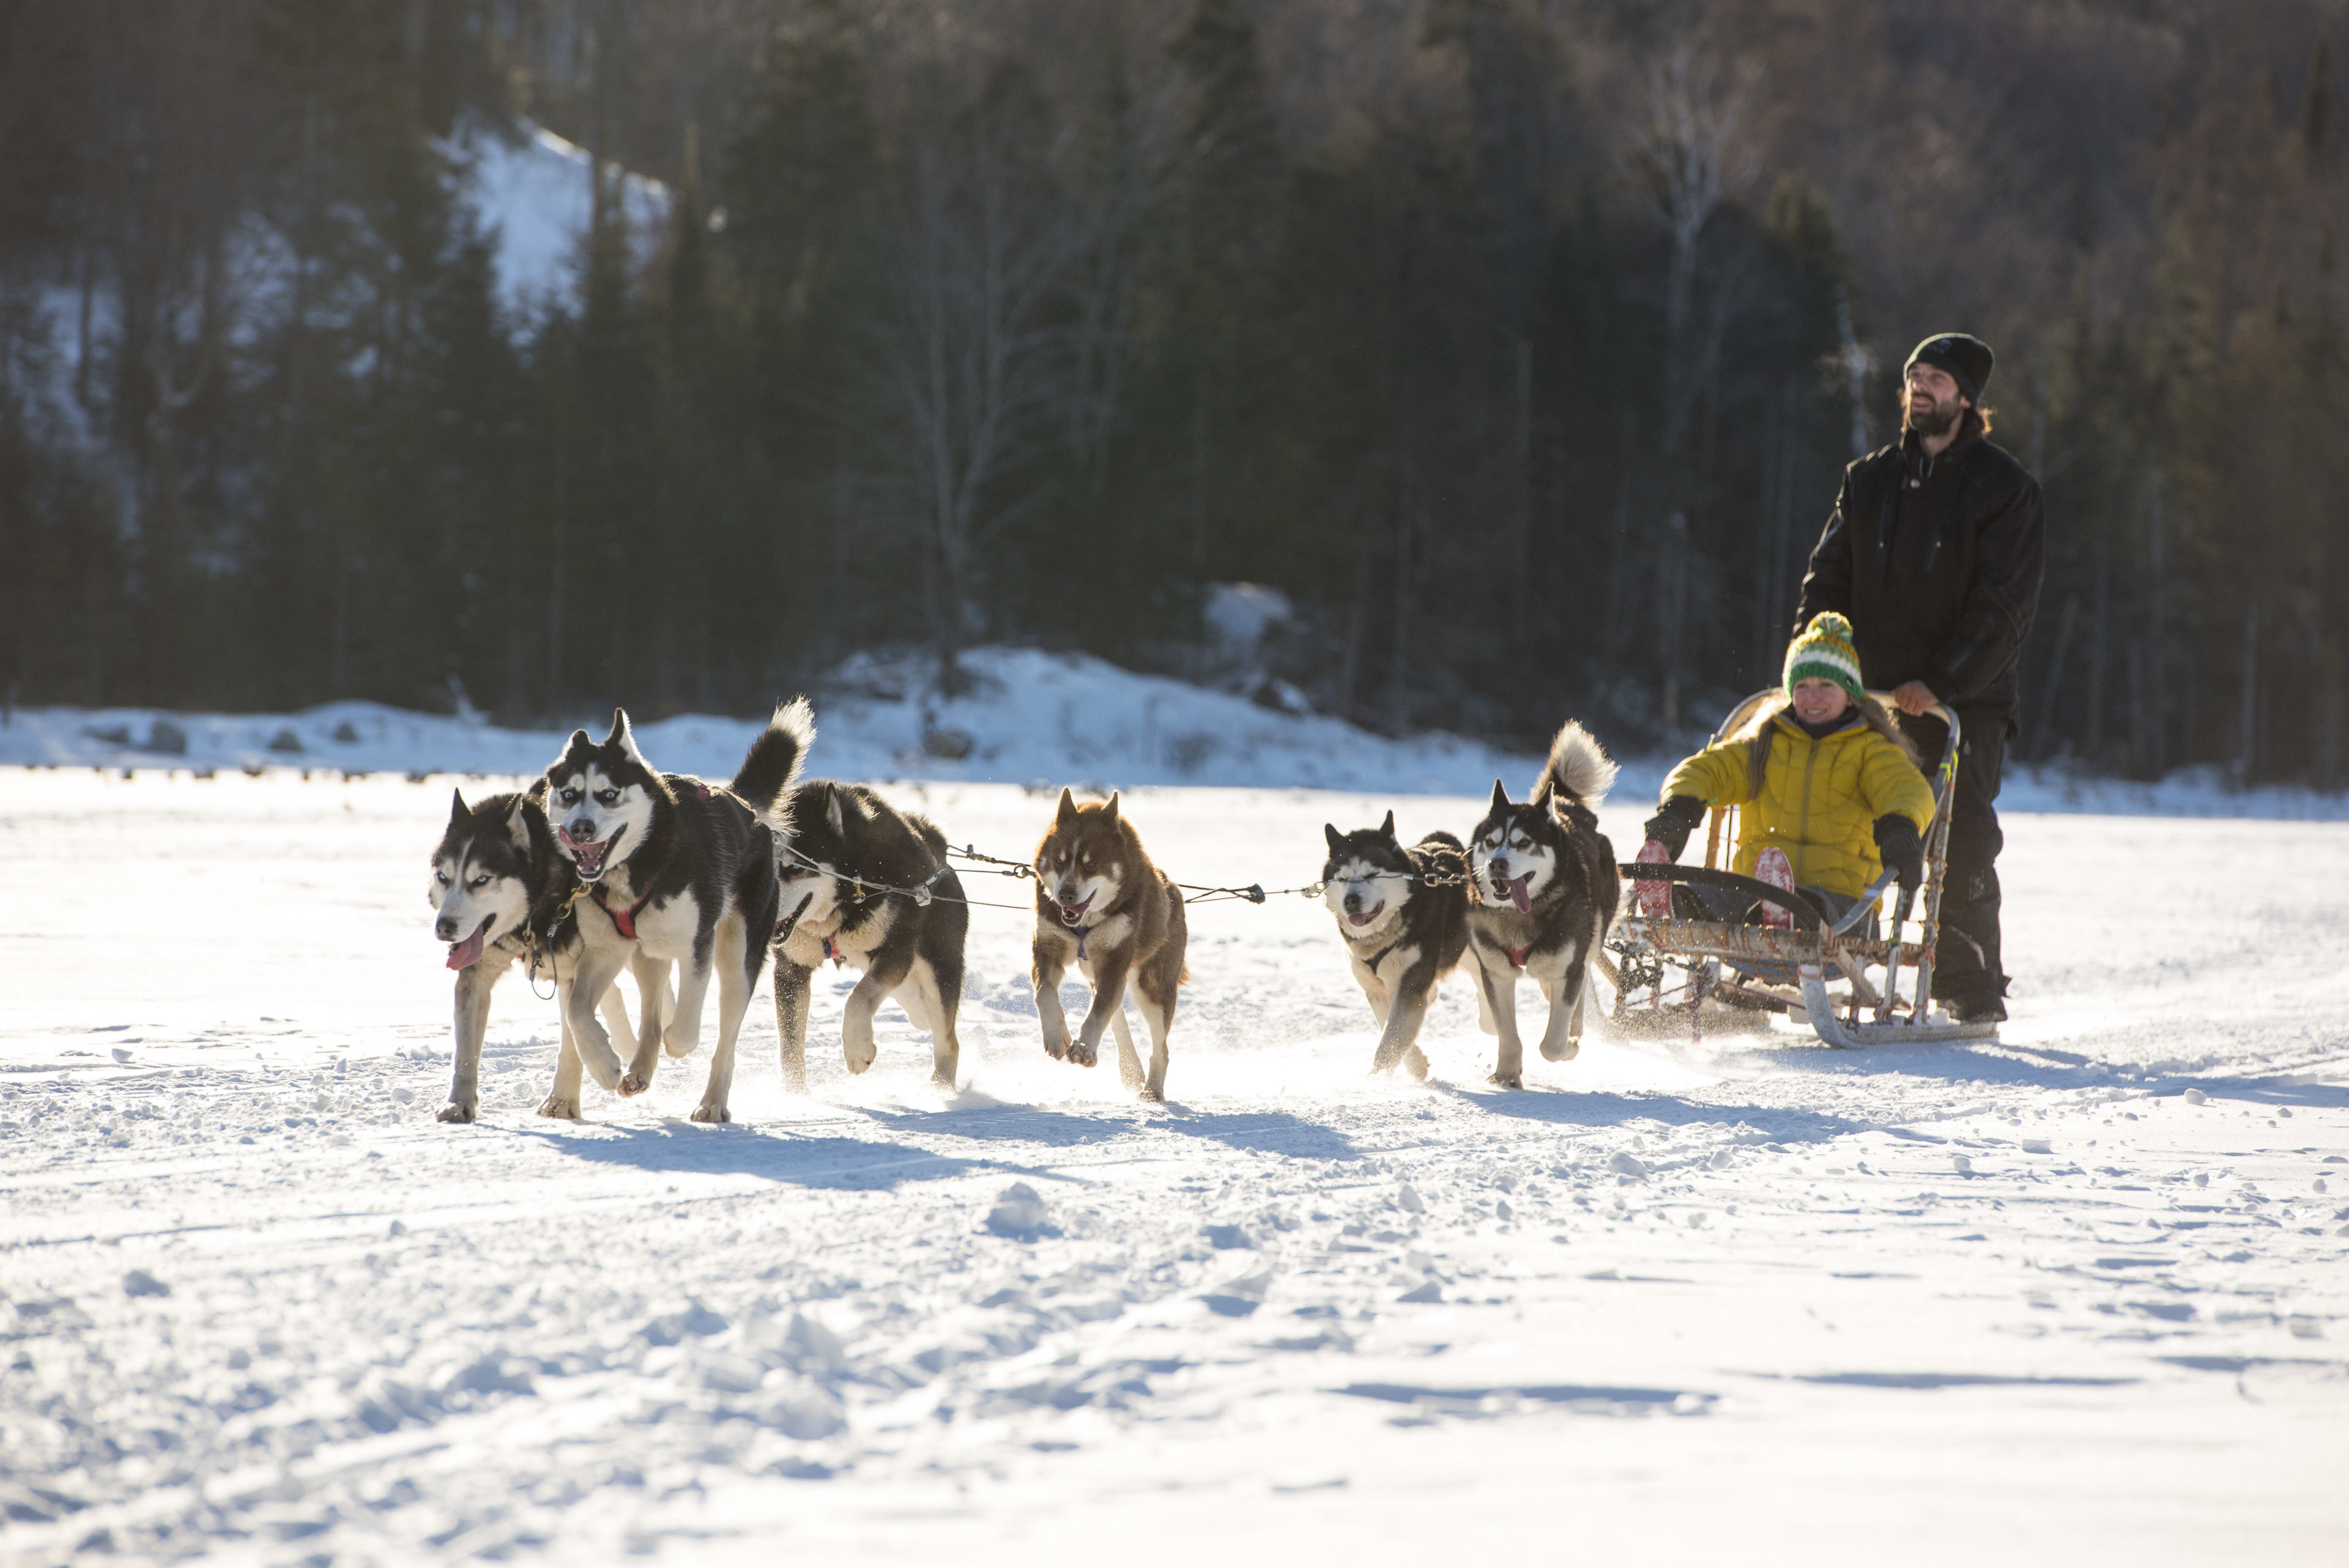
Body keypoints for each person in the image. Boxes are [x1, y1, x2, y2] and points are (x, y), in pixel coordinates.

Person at [1789, 332, 2043, 1023]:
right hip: (1864, 698)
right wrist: (1813, 663)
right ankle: (1804, 945)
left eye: (1935, 379)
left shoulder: (2005, 490)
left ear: (1966, 398)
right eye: (1913, 377)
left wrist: (1939, 682)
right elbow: (1828, 579)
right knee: (1822, 813)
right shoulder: (1867, 480)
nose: (1920, 389)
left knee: (1959, 840)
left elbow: (2003, 609)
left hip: (1963, 704)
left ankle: (1968, 984)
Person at [1643, 612, 1935, 927]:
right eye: (1803, 685)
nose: (1813, 697)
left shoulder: (1870, 749)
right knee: (1719, 895)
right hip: (1754, 890)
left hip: (1844, 904)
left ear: (1850, 693)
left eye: (1827, 684)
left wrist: (1901, 825)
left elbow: (1905, 787)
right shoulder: (1764, 743)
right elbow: (1711, 768)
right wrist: (1678, 807)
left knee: (1815, 907)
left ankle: (1786, 913)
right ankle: (1676, 904)